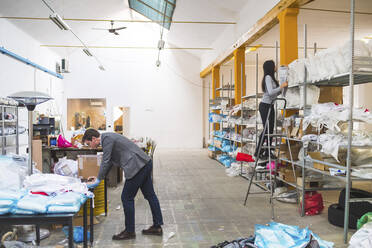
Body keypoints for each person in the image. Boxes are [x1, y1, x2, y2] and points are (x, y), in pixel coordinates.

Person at [82, 129, 163, 240]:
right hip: (144, 163)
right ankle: (157, 227)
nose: (90, 147)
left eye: (89, 144)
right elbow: (109, 161)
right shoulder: (108, 138)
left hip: (137, 166)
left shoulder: (106, 139)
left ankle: (129, 231)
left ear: (94, 139)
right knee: (150, 195)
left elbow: (106, 160)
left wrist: (98, 180)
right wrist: (99, 177)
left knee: (126, 197)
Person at [254, 60, 288, 160]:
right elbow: (271, 92)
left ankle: (268, 152)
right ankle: (258, 151)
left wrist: (282, 87)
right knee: (266, 129)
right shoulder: (268, 77)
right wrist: (281, 87)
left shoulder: (272, 78)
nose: (276, 67)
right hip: (265, 106)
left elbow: (274, 94)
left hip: (270, 106)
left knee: (270, 130)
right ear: (270, 67)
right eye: (275, 65)